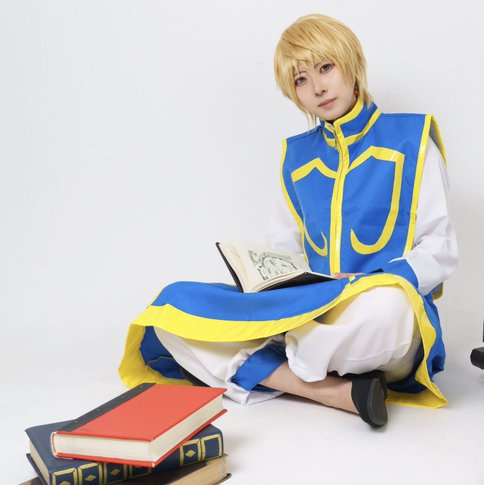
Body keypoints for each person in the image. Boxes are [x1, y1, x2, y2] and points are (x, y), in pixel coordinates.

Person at [118, 13, 457, 428]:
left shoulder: (413, 140)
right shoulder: (296, 158)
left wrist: (366, 282)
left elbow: (440, 249)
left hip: (380, 320)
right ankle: (331, 390)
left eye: (326, 68)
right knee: (174, 307)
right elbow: (283, 250)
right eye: (300, 80)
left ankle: (275, 362)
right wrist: (274, 287)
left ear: (352, 64)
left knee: (386, 307)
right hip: (308, 311)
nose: (317, 88)